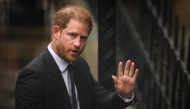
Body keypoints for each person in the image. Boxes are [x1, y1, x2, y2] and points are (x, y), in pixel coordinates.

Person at [15, 5, 139, 109]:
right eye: (72, 35)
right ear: (56, 32)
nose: (78, 44)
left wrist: (123, 95)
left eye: (83, 38)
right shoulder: (33, 75)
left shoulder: (79, 64)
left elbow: (103, 102)